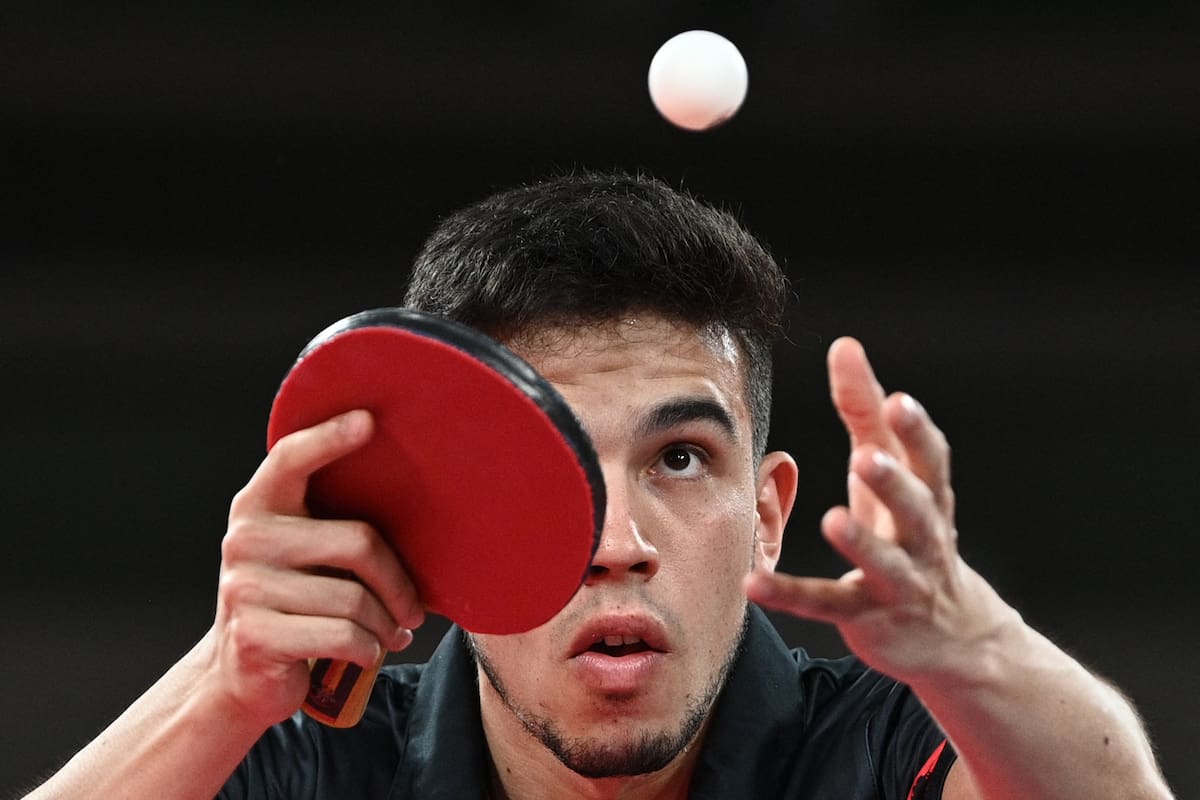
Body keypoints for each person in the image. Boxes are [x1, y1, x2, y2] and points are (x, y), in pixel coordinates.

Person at [25, 172, 1172, 800]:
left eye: (679, 458)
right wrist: (225, 685)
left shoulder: (885, 751)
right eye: (551, 467)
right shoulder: (306, 765)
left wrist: (979, 650)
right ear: (440, 526)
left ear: (769, 513)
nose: (616, 540)